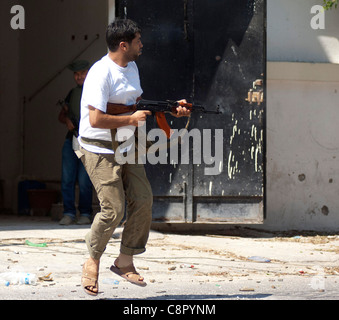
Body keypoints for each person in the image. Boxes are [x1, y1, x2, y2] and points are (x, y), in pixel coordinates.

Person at [77, 19, 191, 296]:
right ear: (123, 45)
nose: (142, 44)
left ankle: (125, 260)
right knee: (113, 209)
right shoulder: (100, 73)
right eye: (138, 40)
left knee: (143, 199)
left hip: (126, 146)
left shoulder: (132, 68)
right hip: (99, 148)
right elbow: (95, 119)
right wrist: (130, 118)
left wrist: (170, 109)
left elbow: (136, 103)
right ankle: (92, 261)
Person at [58, 60, 93, 225]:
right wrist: (67, 121)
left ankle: (85, 213)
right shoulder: (72, 93)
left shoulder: (95, 92)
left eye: (83, 73)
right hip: (72, 140)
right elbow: (61, 115)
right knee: (67, 178)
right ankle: (69, 213)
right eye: (76, 74)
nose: (79, 77)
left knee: (85, 180)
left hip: (88, 141)